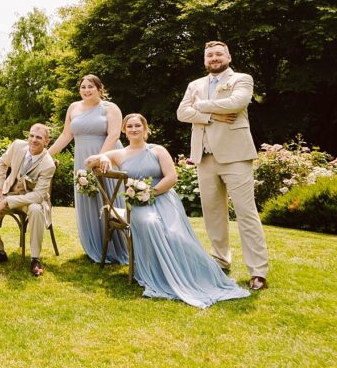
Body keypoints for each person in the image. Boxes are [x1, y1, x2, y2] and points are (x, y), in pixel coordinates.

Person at [87, 114, 250, 308]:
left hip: (163, 198)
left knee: (175, 234)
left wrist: (150, 192)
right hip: (137, 205)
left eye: (138, 125)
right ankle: (159, 273)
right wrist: (104, 156)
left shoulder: (157, 150)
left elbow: (172, 177)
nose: (133, 129)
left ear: (145, 129)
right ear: (124, 130)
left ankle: (193, 273)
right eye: (129, 126)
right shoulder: (119, 154)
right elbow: (89, 162)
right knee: (150, 223)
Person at [176, 40, 269, 291]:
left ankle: (258, 271)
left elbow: (236, 103)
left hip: (235, 156)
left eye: (218, 54)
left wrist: (200, 106)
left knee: (246, 213)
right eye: (210, 55)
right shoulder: (195, 84)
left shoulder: (242, 78)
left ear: (228, 56)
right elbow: (181, 113)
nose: (214, 58)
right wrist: (211, 116)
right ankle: (220, 259)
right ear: (205, 60)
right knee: (213, 214)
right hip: (204, 157)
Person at [48, 74, 128, 264]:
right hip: (82, 160)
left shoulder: (110, 108)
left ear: (100, 88)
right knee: (88, 200)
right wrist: (45, 155)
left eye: (90, 86)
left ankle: (118, 247)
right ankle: (95, 246)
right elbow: (66, 135)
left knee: (108, 197)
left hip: (105, 157)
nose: (86, 90)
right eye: (83, 87)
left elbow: (114, 134)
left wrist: (99, 158)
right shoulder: (73, 108)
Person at [0, 124, 56, 277]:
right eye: (32, 136)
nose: (33, 140)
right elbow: (1, 163)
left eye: (39, 138)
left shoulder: (48, 164)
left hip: (32, 200)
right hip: (8, 193)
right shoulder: (17, 146)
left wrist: (8, 202)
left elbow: (38, 196)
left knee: (35, 210)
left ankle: (35, 259)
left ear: (46, 141)